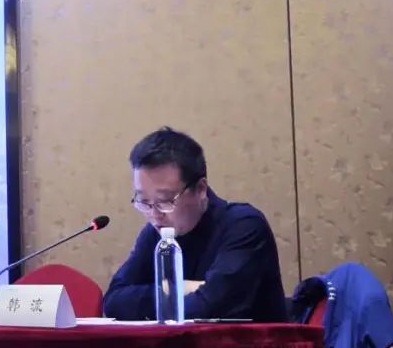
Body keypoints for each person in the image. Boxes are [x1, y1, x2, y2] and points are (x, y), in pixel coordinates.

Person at [101, 127, 287, 322]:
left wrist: (162, 293)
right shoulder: (156, 233)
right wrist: (179, 287)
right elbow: (113, 301)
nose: (154, 214)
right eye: (144, 201)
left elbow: (208, 308)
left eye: (165, 201)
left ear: (200, 189)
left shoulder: (244, 226)